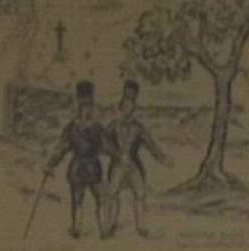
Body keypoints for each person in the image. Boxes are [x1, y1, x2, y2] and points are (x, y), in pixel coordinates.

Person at [99, 79, 173, 238]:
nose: (128, 110)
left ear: (134, 109)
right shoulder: (113, 126)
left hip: (134, 165)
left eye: (131, 107)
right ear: (120, 107)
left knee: (140, 193)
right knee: (112, 193)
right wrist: (117, 154)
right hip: (117, 165)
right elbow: (103, 143)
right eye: (125, 106)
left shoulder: (138, 128)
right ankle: (110, 225)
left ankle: (141, 226)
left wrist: (163, 158)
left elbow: (151, 145)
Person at [42, 80, 115, 239]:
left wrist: (50, 164)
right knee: (98, 199)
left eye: (89, 106)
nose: (88, 110)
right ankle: (101, 229)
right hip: (93, 168)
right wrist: (117, 153)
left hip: (77, 169)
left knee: (80, 200)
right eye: (87, 106)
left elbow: (61, 149)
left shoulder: (72, 128)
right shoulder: (96, 128)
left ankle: (79, 229)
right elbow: (108, 147)